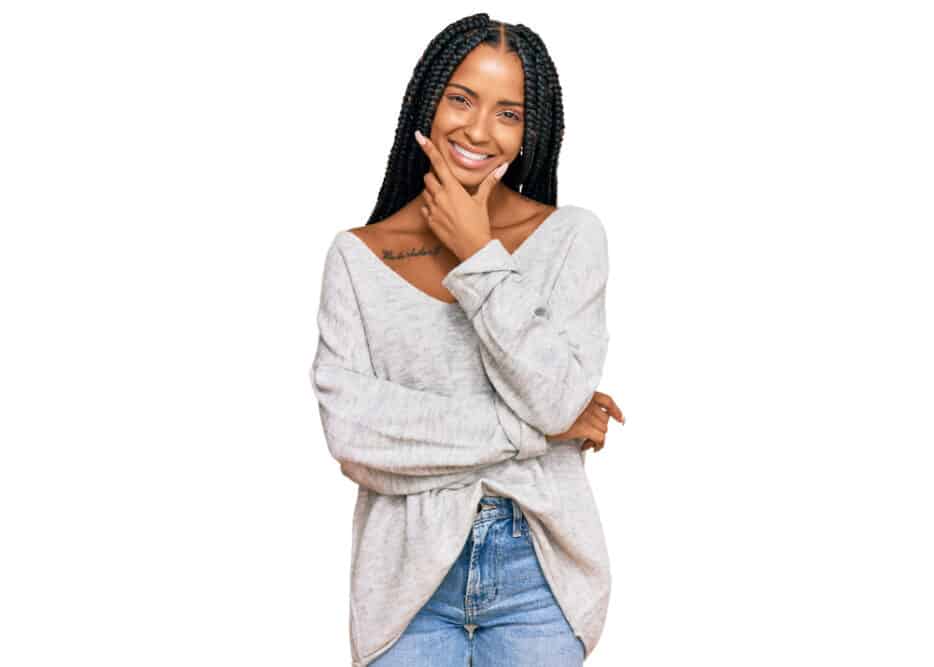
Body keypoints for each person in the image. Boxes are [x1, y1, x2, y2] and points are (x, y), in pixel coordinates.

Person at [311, 14, 625, 666]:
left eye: (508, 112)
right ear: (428, 99)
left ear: (530, 130)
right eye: (462, 98)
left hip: (539, 572)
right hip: (404, 585)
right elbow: (356, 435)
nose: (479, 130)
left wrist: (477, 252)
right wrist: (540, 429)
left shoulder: (572, 239)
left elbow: (556, 394)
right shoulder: (357, 258)